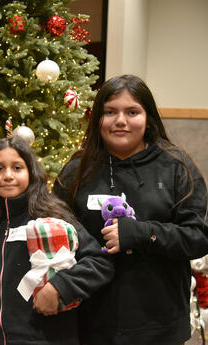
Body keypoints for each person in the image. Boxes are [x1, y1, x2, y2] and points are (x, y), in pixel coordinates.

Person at [52, 74, 208, 345]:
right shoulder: (76, 170)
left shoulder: (176, 167)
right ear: (97, 118)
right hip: (89, 323)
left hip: (160, 325)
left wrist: (142, 233)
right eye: (110, 112)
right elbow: (56, 234)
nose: (120, 121)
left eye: (132, 112)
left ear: (148, 117)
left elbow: (198, 238)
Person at [0, 136, 113, 345]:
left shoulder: (51, 216)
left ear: (31, 172)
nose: (7, 176)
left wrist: (59, 287)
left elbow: (100, 262)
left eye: (17, 168)